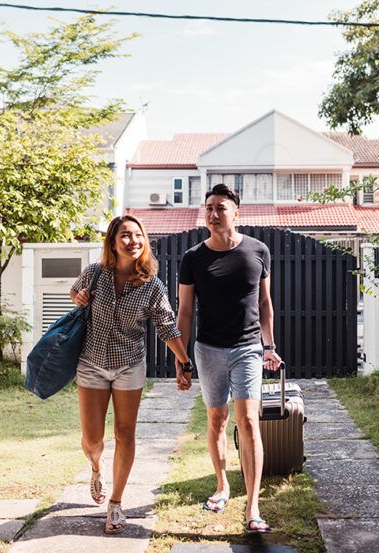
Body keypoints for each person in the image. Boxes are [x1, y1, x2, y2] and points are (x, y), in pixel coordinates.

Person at [69, 215, 193, 535]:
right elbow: (75, 292)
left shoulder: (151, 284)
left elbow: (167, 325)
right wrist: (79, 297)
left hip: (129, 365)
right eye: (125, 235)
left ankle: (116, 503)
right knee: (93, 439)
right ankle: (96, 466)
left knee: (125, 434)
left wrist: (184, 361)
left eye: (138, 235)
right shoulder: (95, 274)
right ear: (113, 242)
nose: (133, 241)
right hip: (92, 363)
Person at [176, 183, 283, 534]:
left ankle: (252, 507)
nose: (213, 213)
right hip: (208, 349)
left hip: (249, 347)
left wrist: (269, 345)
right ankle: (222, 485)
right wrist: (181, 356)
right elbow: (185, 311)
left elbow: (264, 303)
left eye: (221, 207)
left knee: (249, 421)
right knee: (217, 420)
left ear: (237, 212)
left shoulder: (258, 251)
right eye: (208, 207)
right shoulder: (193, 258)